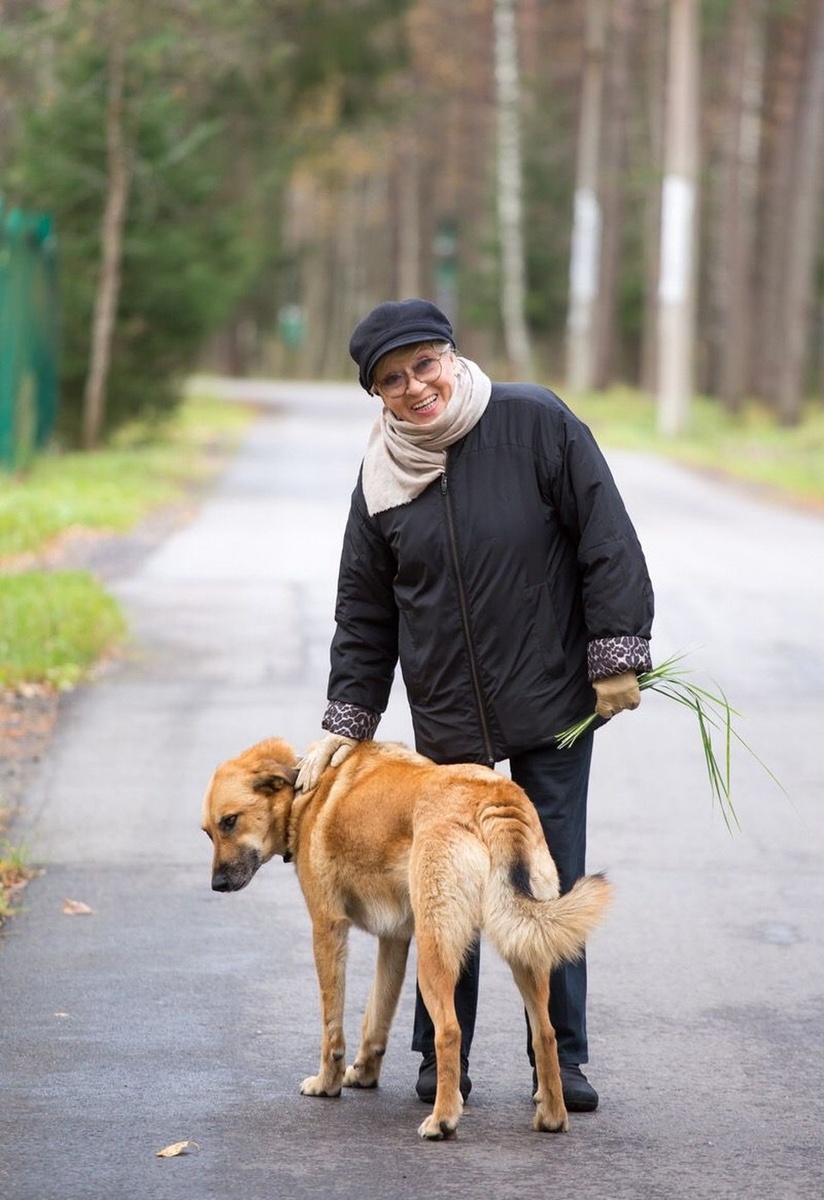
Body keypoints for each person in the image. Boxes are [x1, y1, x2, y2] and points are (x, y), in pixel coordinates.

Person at [296, 298, 654, 1113]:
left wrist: (616, 650)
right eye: (392, 380)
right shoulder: (381, 474)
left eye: (424, 364)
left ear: (451, 355)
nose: (415, 387)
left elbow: (607, 536)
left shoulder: (535, 422)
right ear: (377, 395)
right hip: (448, 708)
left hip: (554, 690)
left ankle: (563, 1058)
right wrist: (346, 720)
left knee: (544, 872)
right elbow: (366, 609)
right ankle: (439, 1052)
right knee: (444, 885)